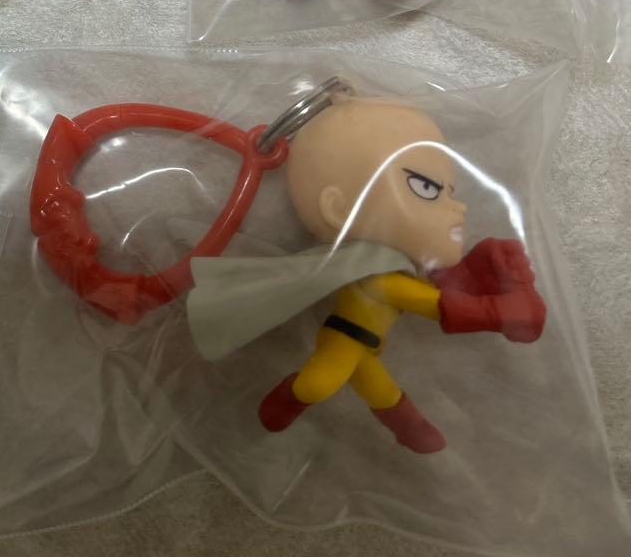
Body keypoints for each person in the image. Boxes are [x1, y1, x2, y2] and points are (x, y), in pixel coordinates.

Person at [187, 97, 545, 452]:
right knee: (319, 384)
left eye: (450, 191)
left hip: (367, 344)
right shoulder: (379, 276)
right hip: (344, 338)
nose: (459, 207)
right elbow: (434, 305)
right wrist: (495, 315)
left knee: (379, 389)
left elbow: (436, 293)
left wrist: (479, 280)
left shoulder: (392, 265)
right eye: (426, 188)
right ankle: (287, 403)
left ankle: (409, 428)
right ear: (340, 210)